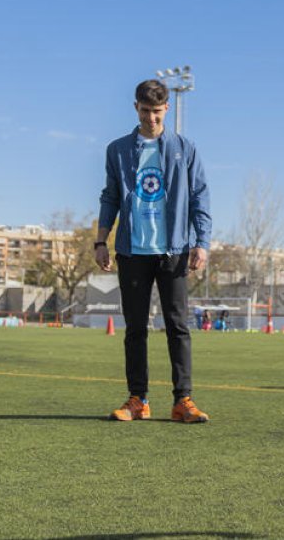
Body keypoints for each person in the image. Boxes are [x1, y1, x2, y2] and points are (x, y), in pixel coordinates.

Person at [96, 79, 212, 423]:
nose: (151, 118)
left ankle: (183, 401)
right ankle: (138, 400)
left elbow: (199, 196)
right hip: (132, 250)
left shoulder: (185, 148)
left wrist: (202, 242)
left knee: (178, 326)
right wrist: (101, 241)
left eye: (157, 112)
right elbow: (110, 197)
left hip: (173, 250)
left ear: (167, 109)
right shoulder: (117, 150)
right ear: (136, 107)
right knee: (135, 328)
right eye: (145, 111)